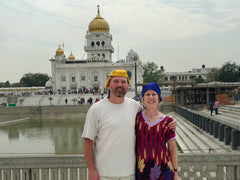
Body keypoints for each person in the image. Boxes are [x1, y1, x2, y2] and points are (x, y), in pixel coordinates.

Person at [82, 70, 176, 180]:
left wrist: (170, 120)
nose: (120, 85)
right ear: (108, 85)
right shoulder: (96, 109)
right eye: (116, 81)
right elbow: (88, 141)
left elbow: (151, 114)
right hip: (104, 174)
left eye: (123, 82)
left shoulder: (134, 106)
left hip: (130, 174)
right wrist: (91, 169)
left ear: (127, 85)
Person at [135, 82, 179, 180]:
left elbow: (172, 149)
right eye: (147, 94)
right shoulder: (137, 119)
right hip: (142, 171)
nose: (151, 97)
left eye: (154, 94)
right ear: (143, 98)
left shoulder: (168, 121)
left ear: (159, 98)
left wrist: (175, 172)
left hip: (164, 171)